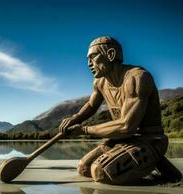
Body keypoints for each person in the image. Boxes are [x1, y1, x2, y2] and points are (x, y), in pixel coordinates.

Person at [59, 36, 182, 185]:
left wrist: (84, 130)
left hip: (149, 139)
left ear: (110, 55)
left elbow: (126, 126)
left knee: (101, 171)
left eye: (93, 57)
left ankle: (153, 163)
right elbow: (91, 106)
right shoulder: (100, 81)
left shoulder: (137, 78)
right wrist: (75, 118)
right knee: (84, 168)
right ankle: (162, 168)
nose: (88, 64)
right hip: (122, 139)